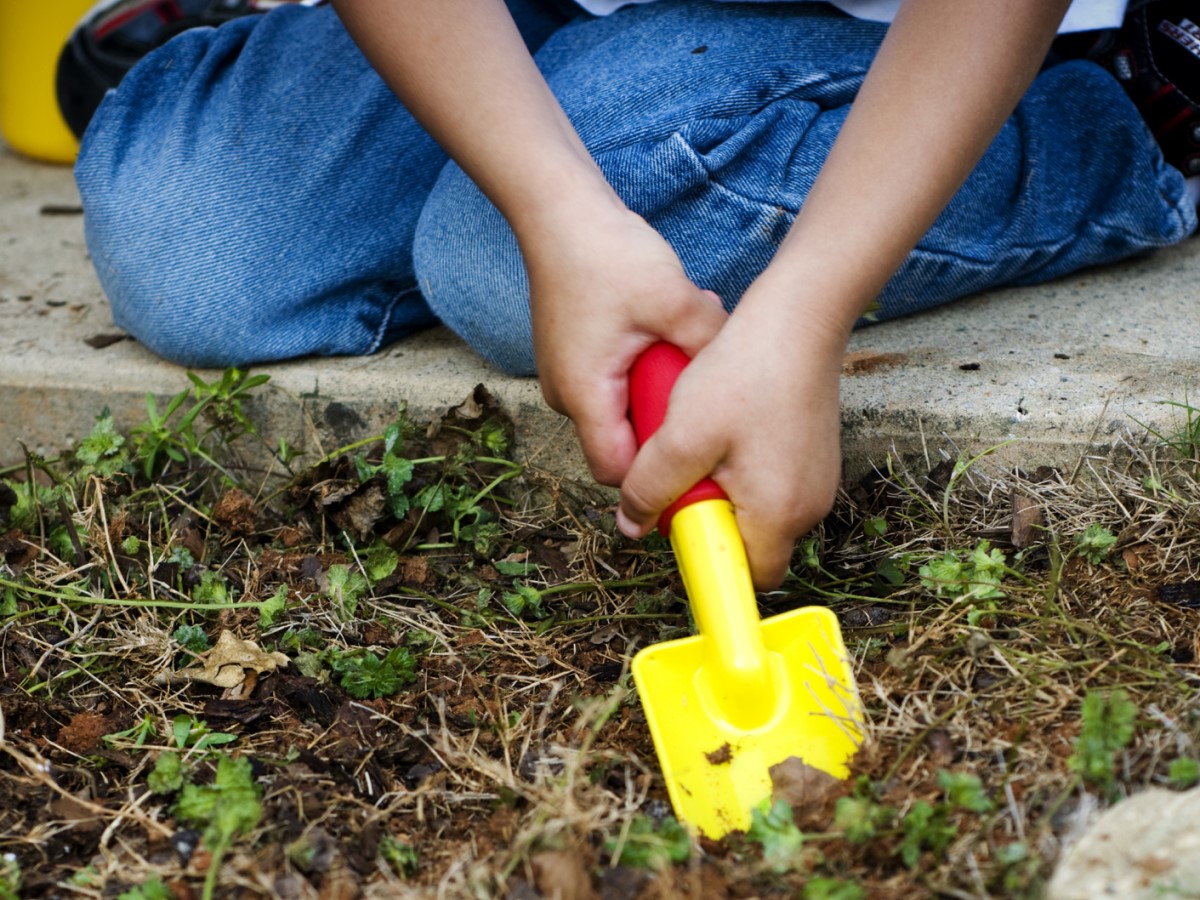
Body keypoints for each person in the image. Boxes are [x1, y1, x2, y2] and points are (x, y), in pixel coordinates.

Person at [61, 0, 1196, 589]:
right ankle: (585, 104)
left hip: (920, 35)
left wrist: (802, 309)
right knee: (189, 242)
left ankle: (1128, 113)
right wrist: (556, 209)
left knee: (489, 263)